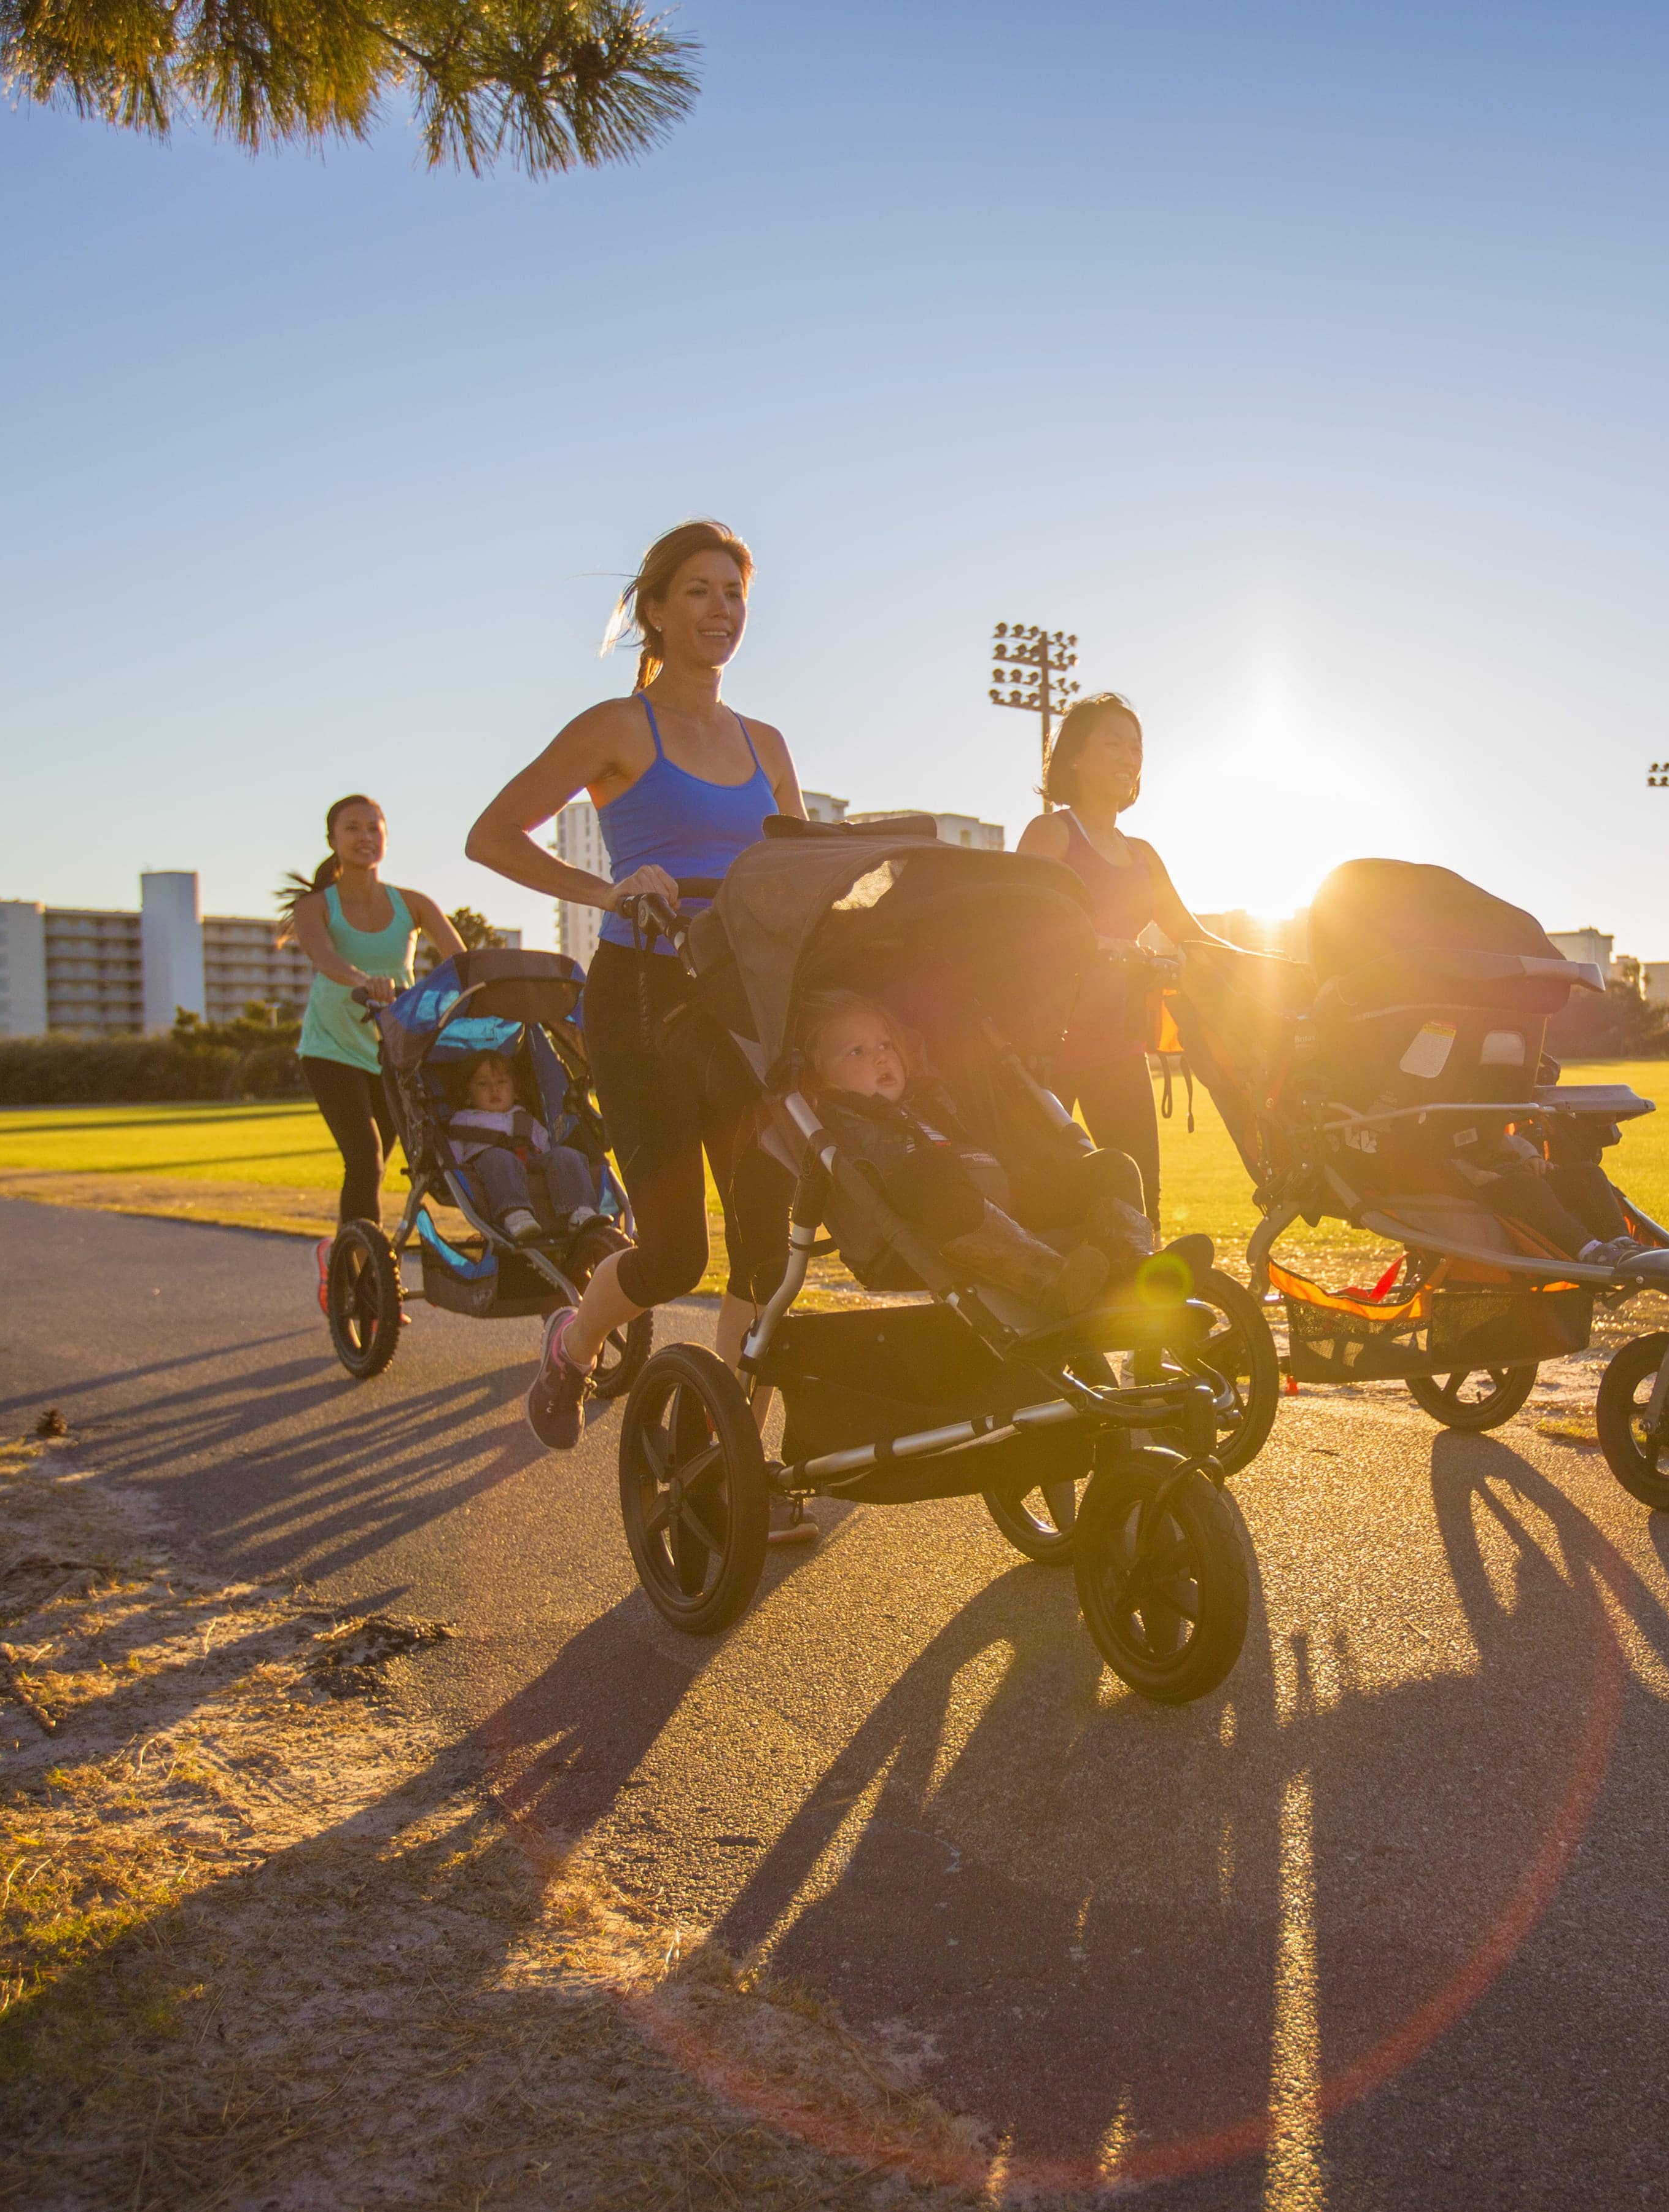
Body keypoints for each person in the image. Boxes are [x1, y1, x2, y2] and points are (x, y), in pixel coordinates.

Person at [464, 521, 817, 1538]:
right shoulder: (616, 728)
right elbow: (491, 835)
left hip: (740, 1007)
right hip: (642, 1003)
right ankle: (570, 1351)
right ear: (655, 608)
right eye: (699, 592)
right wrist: (608, 887)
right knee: (674, 1257)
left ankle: (735, 1465)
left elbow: (793, 873)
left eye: (735, 595)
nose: (720, 611)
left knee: (765, 1247)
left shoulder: (769, 745)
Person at [788, 989, 1155, 1313]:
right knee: (929, 1172)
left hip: (1004, 1203)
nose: (881, 1058)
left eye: (885, 1045)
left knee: (1113, 1165)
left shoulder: (930, 1101)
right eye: (857, 1052)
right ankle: (1050, 1283)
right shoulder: (839, 1117)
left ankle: (1133, 1269)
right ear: (822, 1078)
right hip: (927, 1230)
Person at [1016, 693, 1224, 1213]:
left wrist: (1264, 966)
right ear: (1075, 756)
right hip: (1047, 1049)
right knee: (1039, 1194)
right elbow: (1015, 924)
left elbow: (1193, 935)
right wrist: (1100, 945)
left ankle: (1136, 1281)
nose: (1129, 757)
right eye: (1114, 743)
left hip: (1119, 1047)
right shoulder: (1052, 833)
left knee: (1139, 1196)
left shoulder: (1143, 856)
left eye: (1136, 747)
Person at [290, 793, 468, 1275]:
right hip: (332, 1049)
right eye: (352, 828)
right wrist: (362, 980)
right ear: (333, 840)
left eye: (374, 828)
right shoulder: (315, 907)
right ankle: (359, 1280)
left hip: (395, 1049)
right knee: (364, 1158)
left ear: (385, 838)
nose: (365, 837)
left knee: (382, 1166)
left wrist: (464, 991)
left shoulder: (411, 904)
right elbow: (325, 960)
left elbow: (459, 960)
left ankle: (342, 1253)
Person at [446, 1052, 612, 1249]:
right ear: (468, 1095)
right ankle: (515, 1214)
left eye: (502, 1082)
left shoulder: (524, 1118)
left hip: (530, 1159)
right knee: (499, 1158)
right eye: (483, 1084)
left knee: (566, 1154)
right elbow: (453, 1153)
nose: (494, 1089)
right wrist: (455, 1169)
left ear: (515, 1091)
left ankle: (581, 1211)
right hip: (491, 1165)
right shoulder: (464, 1119)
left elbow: (545, 1148)